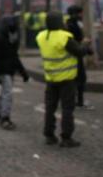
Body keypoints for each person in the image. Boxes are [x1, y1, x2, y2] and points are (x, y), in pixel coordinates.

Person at [37, 11, 89, 147]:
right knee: (67, 109)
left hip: (50, 78)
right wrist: (85, 44)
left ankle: (49, 135)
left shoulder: (41, 37)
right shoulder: (64, 37)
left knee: (50, 108)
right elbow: (79, 52)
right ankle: (66, 138)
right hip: (66, 79)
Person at [0, 15, 28, 130]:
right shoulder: (0, 39)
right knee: (7, 94)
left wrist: (23, 72)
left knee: (4, 94)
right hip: (3, 71)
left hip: (8, 71)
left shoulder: (11, 39)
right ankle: (4, 118)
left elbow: (14, 57)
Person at [66, 5, 94, 109]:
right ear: (75, 14)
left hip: (75, 55)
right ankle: (79, 101)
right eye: (80, 13)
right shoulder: (72, 25)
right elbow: (77, 41)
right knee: (80, 78)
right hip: (75, 56)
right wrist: (86, 47)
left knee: (77, 79)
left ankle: (75, 100)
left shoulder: (72, 24)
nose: (81, 15)